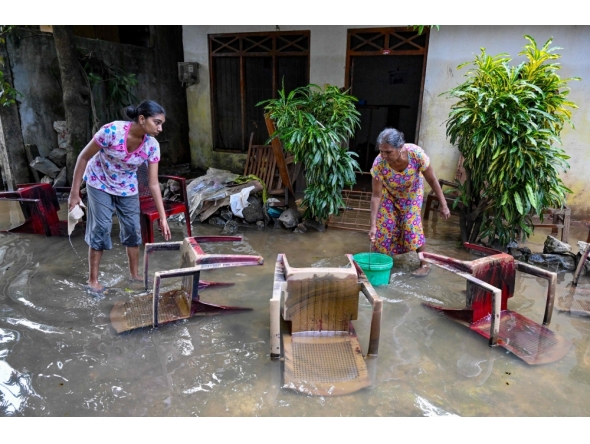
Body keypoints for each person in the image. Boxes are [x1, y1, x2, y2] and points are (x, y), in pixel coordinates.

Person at [68, 100, 172, 294]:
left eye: (161, 124)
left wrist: (163, 217)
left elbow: (153, 183)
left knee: (133, 228)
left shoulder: (152, 146)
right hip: (98, 181)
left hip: (127, 187)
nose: (160, 128)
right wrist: (74, 194)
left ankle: (134, 275)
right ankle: (93, 281)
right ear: (142, 119)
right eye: (157, 122)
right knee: (101, 227)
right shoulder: (111, 132)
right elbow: (83, 157)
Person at [368, 128, 450, 276]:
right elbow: (376, 196)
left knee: (411, 226)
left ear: (400, 147)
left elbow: (432, 180)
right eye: (381, 151)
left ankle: (424, 263)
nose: (383, 155)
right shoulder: (379, 163)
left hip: (412, 194)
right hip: (389, 195)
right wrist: (373, 225)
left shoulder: (416, 154)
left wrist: (443, 204)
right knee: (385, 228)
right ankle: (385, 262)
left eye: (388, 152)